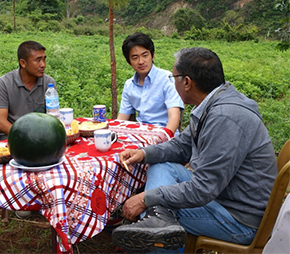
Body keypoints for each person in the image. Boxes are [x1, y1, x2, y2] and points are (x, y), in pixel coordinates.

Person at [111, 47, 278, 253]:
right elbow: (182, 146)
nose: (174, 83)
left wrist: (147, 198)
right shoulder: (214, 104)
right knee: (161, 171)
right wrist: (145, 153)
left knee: (157, 218)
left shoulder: (225, 117)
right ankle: (159, 221)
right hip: (224, 198)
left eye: (174, 77)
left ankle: (158, 225)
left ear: (187, 82)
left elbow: (202, 189)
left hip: (240, 218)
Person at [118, 32, 184, 137]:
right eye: (135, 58)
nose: (141, 61)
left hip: (165, 139)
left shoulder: (167, 80)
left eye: (145, 55)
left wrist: (160, 142)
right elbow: (122, 120)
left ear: (152, 55)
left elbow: (174, 118)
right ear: (128, 61)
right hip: (140, 138)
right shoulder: (129, 85)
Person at [0, 40, 56, 141]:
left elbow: (53, 116)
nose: (43, 64)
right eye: (38, 60)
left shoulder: (49, 83)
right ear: (23, 63)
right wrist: (26, 137)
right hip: (12, 137)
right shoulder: (3, 83)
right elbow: (1, 123)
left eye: (44, 59)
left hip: (41, 138)